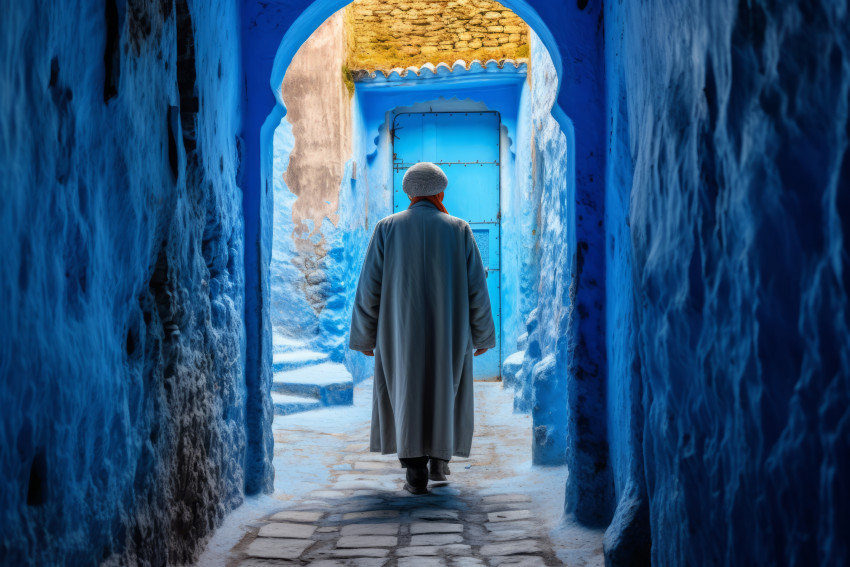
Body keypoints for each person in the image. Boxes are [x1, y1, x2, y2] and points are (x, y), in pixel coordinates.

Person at [349, 161, 496, 495]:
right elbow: (477, 288)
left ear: (409, 193)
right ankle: (439, 460)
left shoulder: (387, 228)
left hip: (399, 332)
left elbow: (369, 287)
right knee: (447, 387)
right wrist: (483, 333)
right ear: (440, 192)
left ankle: (414, 467)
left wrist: (365, 336)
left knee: (406, 390)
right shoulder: (459, 229)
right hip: (450, 331)